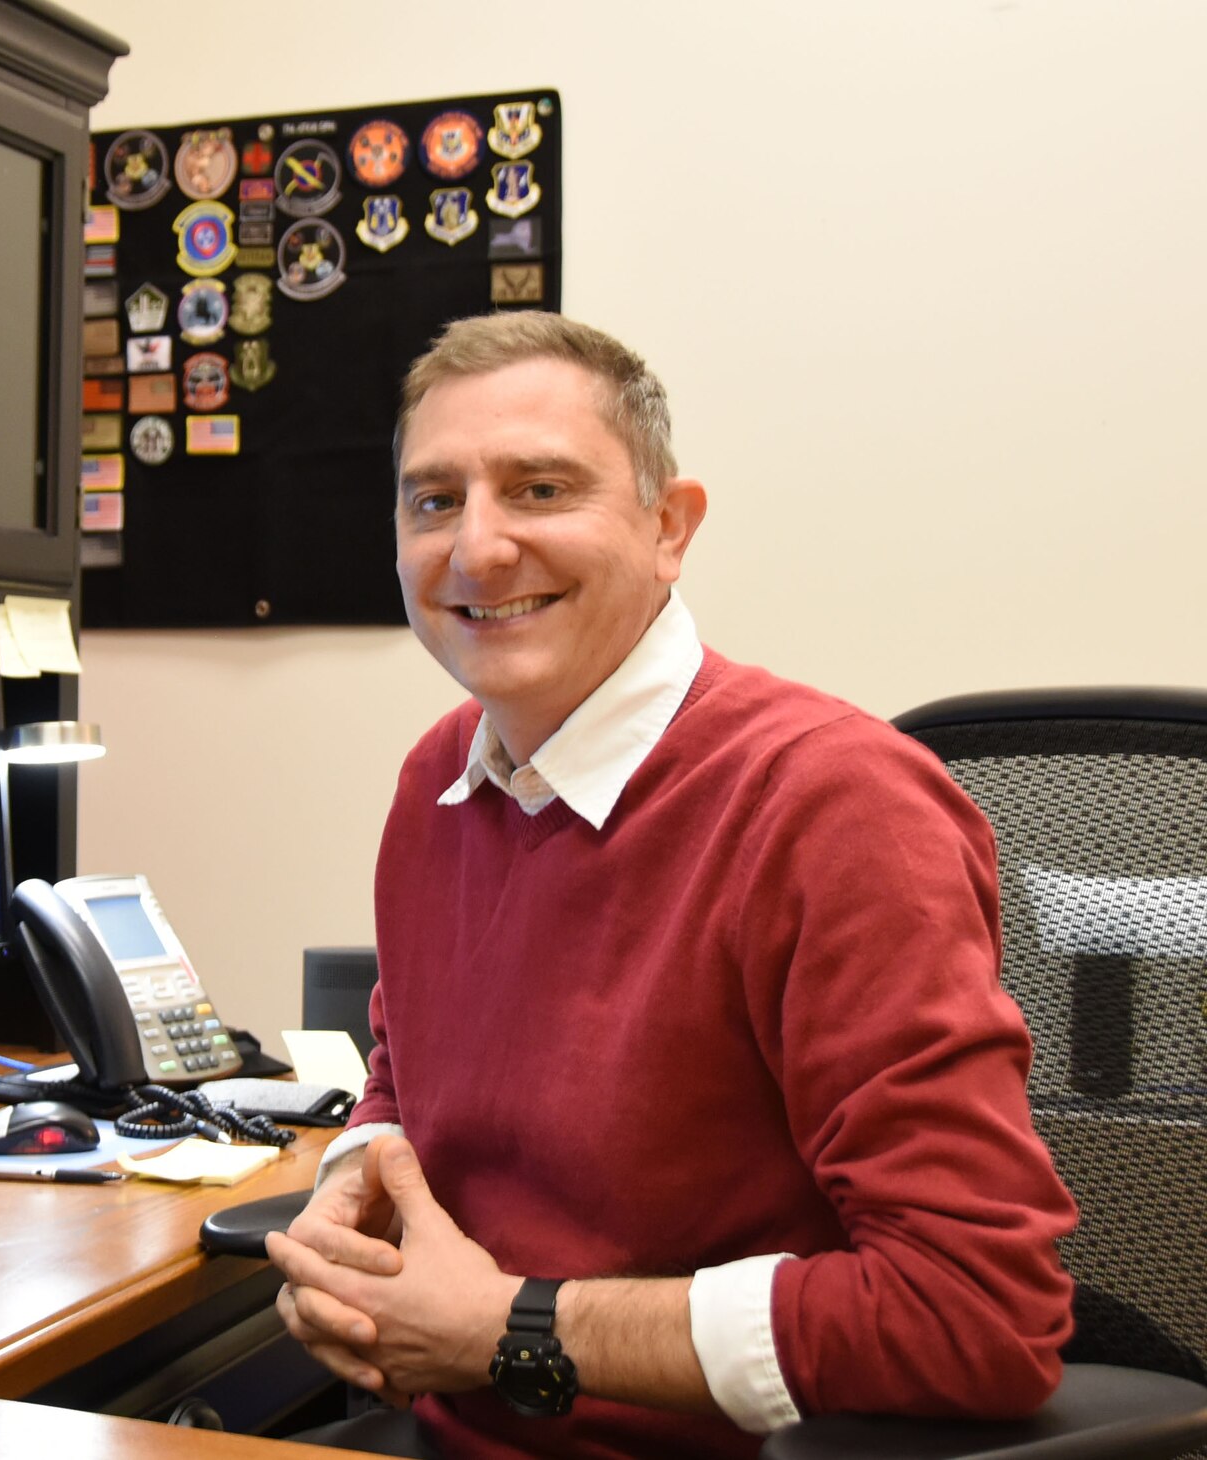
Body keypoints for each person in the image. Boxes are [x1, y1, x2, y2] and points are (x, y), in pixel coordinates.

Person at [266, 312, 1077, 1460]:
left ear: (666, 526)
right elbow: (409, 1078)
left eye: (539, 489)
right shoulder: (437, 777)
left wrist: (507, 1327)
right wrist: (350, 1196)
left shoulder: (831, 807)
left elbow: (976, 1313)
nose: (475, 549)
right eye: (432, 499)